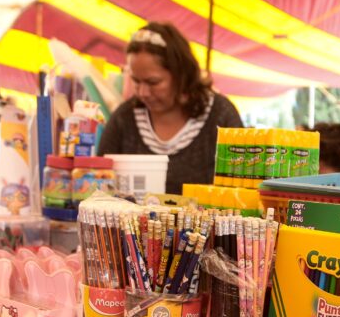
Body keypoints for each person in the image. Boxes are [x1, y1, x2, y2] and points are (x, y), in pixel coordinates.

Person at [99, 22, 243, 194]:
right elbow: (99, 180)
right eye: (136, 81)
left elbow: (241, 188)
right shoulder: (124, 118)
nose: (143, 92)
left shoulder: (220, 115)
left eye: (153, 82)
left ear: (181, 74)